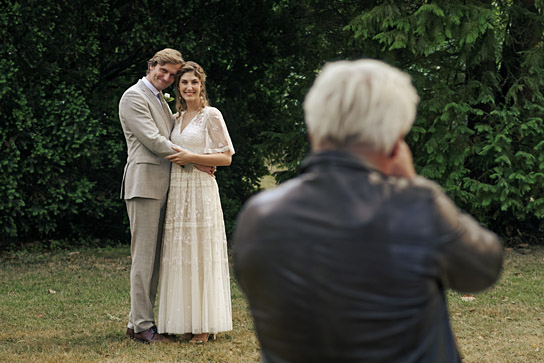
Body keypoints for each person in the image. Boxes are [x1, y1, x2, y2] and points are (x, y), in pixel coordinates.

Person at [232, 59, 503, 362]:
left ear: (313, 129)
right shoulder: (419, 207)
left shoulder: (257, 216)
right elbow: (483, 270)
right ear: (395, 142)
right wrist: (413, 184)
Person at [119, 49, 212, 343]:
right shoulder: (133, 96)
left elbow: (174, 129)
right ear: (151, 66)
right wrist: (195, 159)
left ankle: (142, 322)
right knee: (144, 259)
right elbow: (155, 140)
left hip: (165, 186)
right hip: (144, 185)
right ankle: (141, 326)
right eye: (164, 71)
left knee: (157, 260)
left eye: (173, 74)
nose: (168, 78)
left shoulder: (160, 99)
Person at [157, 61, 234, 344]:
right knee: (183, 252)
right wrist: (189, 160)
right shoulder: (176, 119)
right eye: (184, 83)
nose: (189, 87)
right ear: (178, 88)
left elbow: (225, 157)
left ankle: (205, 325)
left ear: (201, 86)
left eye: (194, 82)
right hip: (178, 192)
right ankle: (187, 321)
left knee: (202, 251)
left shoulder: (210, 115)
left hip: (201, 190)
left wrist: (194, 159)